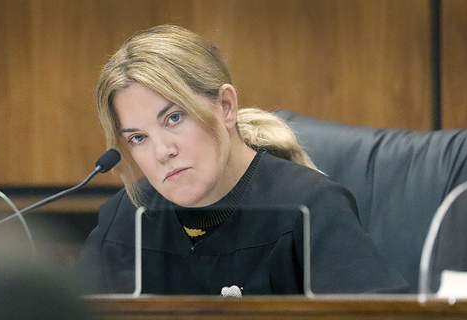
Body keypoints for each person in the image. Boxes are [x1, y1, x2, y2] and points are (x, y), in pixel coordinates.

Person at [77, 24, 408, 295]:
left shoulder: (311, 208)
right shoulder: (124, 219)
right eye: (138, 137)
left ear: (225, 106)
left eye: (175, 118)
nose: (162, 152)